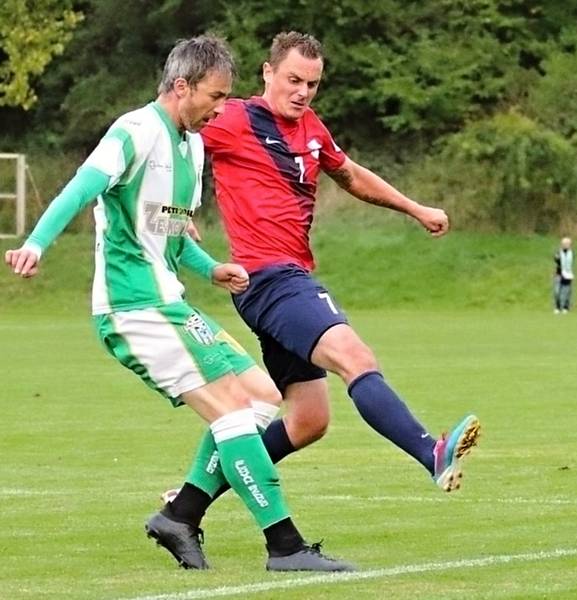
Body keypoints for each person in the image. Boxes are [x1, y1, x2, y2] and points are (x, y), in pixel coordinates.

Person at [4, 35, 353, 573]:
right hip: (133, 308)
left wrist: (210, 267)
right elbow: (81, 188)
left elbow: (167, 230)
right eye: (215, 96)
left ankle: (181, 515)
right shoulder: (136, 131)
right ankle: (284, 545)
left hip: (170, 301)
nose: (222, 108)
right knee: (233, 411)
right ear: (181, 86)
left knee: (260, 395)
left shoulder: (191, 144)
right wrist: (35, 243)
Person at [161, 31, 481, 535]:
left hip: (283, 280)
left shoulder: (310, 127)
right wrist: (175, 209)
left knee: (308, 419)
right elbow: (171, 131)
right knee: (356, 358)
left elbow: (349, 174)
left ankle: (186, 507)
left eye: (312, 83)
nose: (303, 91)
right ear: (268, 73)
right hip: (270, 278)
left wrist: (414, 208)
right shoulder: (235, 117)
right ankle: (431, 452)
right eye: (293, 79)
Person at [553, 237, 574, 314]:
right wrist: (557, 258)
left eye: (567, 244)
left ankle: (566, 307)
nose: (565, 245)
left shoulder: (571, 253)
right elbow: (556, 259)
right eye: (564, 244)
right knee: (557, 291)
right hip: (559, 274)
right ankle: (557, 307)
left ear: (570, 245)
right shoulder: (558, 252)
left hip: (568, 275)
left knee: (567, 292)